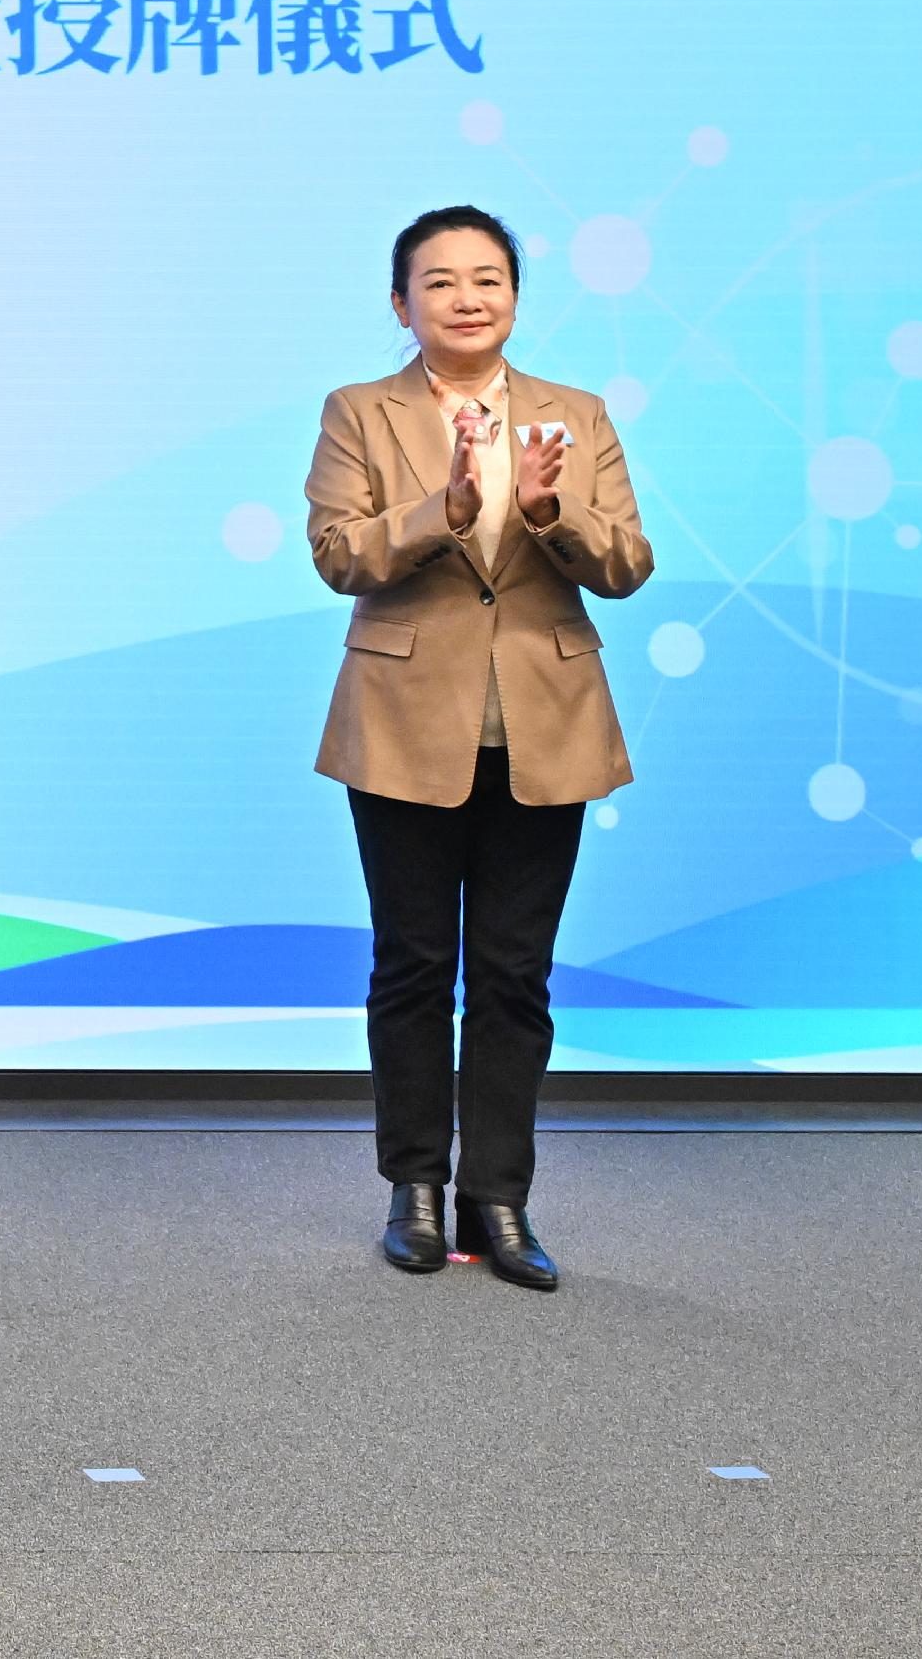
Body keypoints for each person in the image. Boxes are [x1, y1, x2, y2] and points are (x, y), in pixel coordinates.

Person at [307, 204, 651, 1292]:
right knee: (412, 967)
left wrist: (548, 513)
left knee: (514, 975)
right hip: (403, 722)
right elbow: (338, 555)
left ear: (515, 296)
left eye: (488, 278)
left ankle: (497, 1200)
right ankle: (412, 1189)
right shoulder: (360, 412)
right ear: (400, 303)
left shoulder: (575, 415)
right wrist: (443, 505)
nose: (467, 297)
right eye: (441, 280)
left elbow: (627, 564)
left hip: (543, 722)